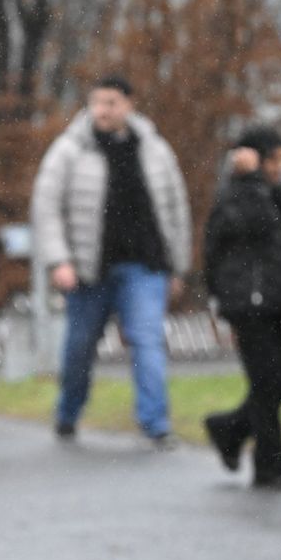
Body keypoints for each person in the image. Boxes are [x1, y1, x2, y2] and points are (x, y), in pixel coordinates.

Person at [31, 75, 192, 449]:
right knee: (80, 347)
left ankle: (155, 423)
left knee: (147, 340)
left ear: (129, 104)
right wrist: (59, 261)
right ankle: (68, 412)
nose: (103, 110)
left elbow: (175, 208)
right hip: (89, 270)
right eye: (97, 102)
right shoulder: (69, 151)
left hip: (145, 266)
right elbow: (47, 208)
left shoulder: (154, 150)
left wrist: (177, 266)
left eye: (112, 102)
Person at [202, 127, 281, 490]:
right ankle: (271, 464)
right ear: (254, 158)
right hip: (247, 301)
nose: (280, 167)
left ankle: (229, 428)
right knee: (265, 380)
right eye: (274, 160)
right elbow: (250, 225)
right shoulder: (234, 193)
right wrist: (251, 178)